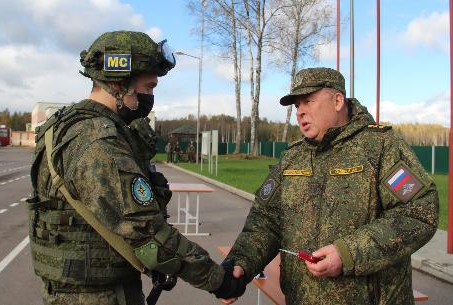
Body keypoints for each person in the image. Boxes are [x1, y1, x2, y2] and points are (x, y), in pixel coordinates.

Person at [28, 31, 245, 305]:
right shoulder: (97, 141)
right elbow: (147, 232)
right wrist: (219, 280)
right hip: (98, 297)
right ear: (120, 83)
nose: (151, 96)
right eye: (149, 87)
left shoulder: (70, 126)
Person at [223, 67, 439, 305]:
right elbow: (266, 221)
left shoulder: (381, 148)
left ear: (337, 100)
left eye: (308, 101)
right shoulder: (292, 158)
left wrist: (348, 254)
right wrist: (242, 263)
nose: (300, 111)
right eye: (297, 106)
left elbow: (419, 212)